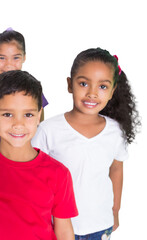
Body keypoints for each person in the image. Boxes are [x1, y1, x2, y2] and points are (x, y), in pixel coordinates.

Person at [0, 70, 78, 240]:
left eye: (28, 114)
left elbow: (64, 231)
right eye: (8, 114)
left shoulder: (59, 174)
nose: (18, 124)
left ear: (38, 115)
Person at [32, 48, 140, 239]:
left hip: (100, 224)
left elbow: (116, 169)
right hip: (56, 224)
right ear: (69, 84)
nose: (92, 93)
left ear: (113, 91)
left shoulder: (115, 132)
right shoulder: (48, 130)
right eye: (83, 83)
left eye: (103, 87)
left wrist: (115, 209)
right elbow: (33, 175)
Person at [0, 28, 49, 152]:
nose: (8, 64)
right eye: (2, 58)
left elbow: (39, 131)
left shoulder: (34, 91)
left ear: (24, 57)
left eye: (15, 58)